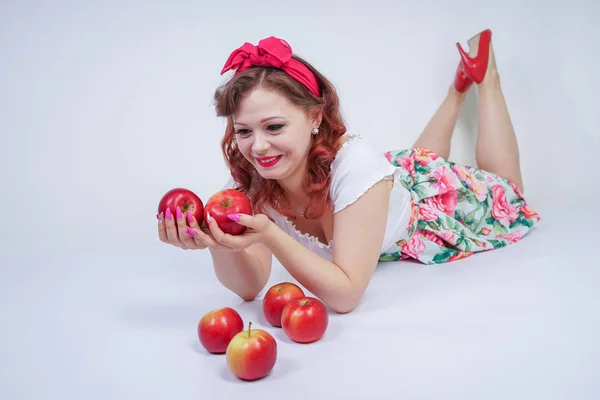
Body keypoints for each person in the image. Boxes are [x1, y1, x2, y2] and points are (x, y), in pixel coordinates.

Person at [157, 30, 541, 313]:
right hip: (390, 183)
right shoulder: (249, 180)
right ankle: (455, 92)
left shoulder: (357, 163)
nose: (257, 147)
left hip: (431, 207)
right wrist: (219, 244)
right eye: (244, 131)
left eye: (274, 127)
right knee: (422, 154)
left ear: (313, 117)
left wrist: (270, 234)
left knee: (511, 195)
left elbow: (345, 295)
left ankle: (486, 78)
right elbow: (249, 286)